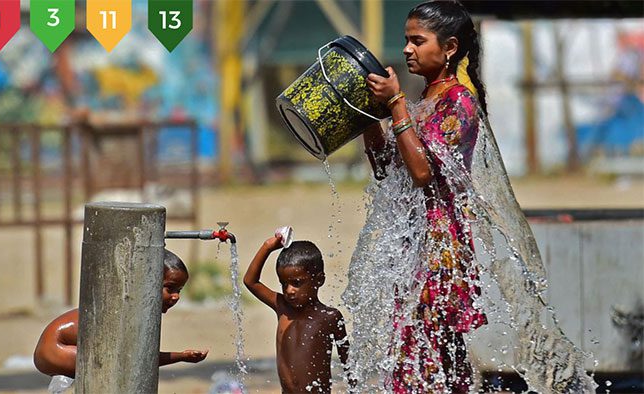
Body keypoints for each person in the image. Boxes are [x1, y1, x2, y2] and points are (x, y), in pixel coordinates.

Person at [343, 1, 596, 393]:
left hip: (441, 251)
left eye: (417, 41)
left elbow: (423, 173)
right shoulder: (423, 102)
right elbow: (387, 168)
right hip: (413, 245)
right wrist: (369, 116)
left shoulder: (459, 101)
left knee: (426, 354)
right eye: (405, 41)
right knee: (422, 352)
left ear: (449, 48)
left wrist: (394, 104)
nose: (407, 49)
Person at [33, 250, 208, 379]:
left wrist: (182, 356)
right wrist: (182, 356)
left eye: (179, 290)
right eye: (170, 288)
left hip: (58, 349)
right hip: (55, 349)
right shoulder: (126, 310)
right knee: (121, 369)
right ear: (147, 281)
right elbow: (139, 358)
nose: (176, 296)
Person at [244, 236, 350, 393]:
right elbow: (250, 281)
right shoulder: (282, 307)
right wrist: (267, 246)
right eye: (284, 284)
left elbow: (347, 361)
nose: (289, 290)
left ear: (319, 280)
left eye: (297, 283)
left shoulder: (330, 317)